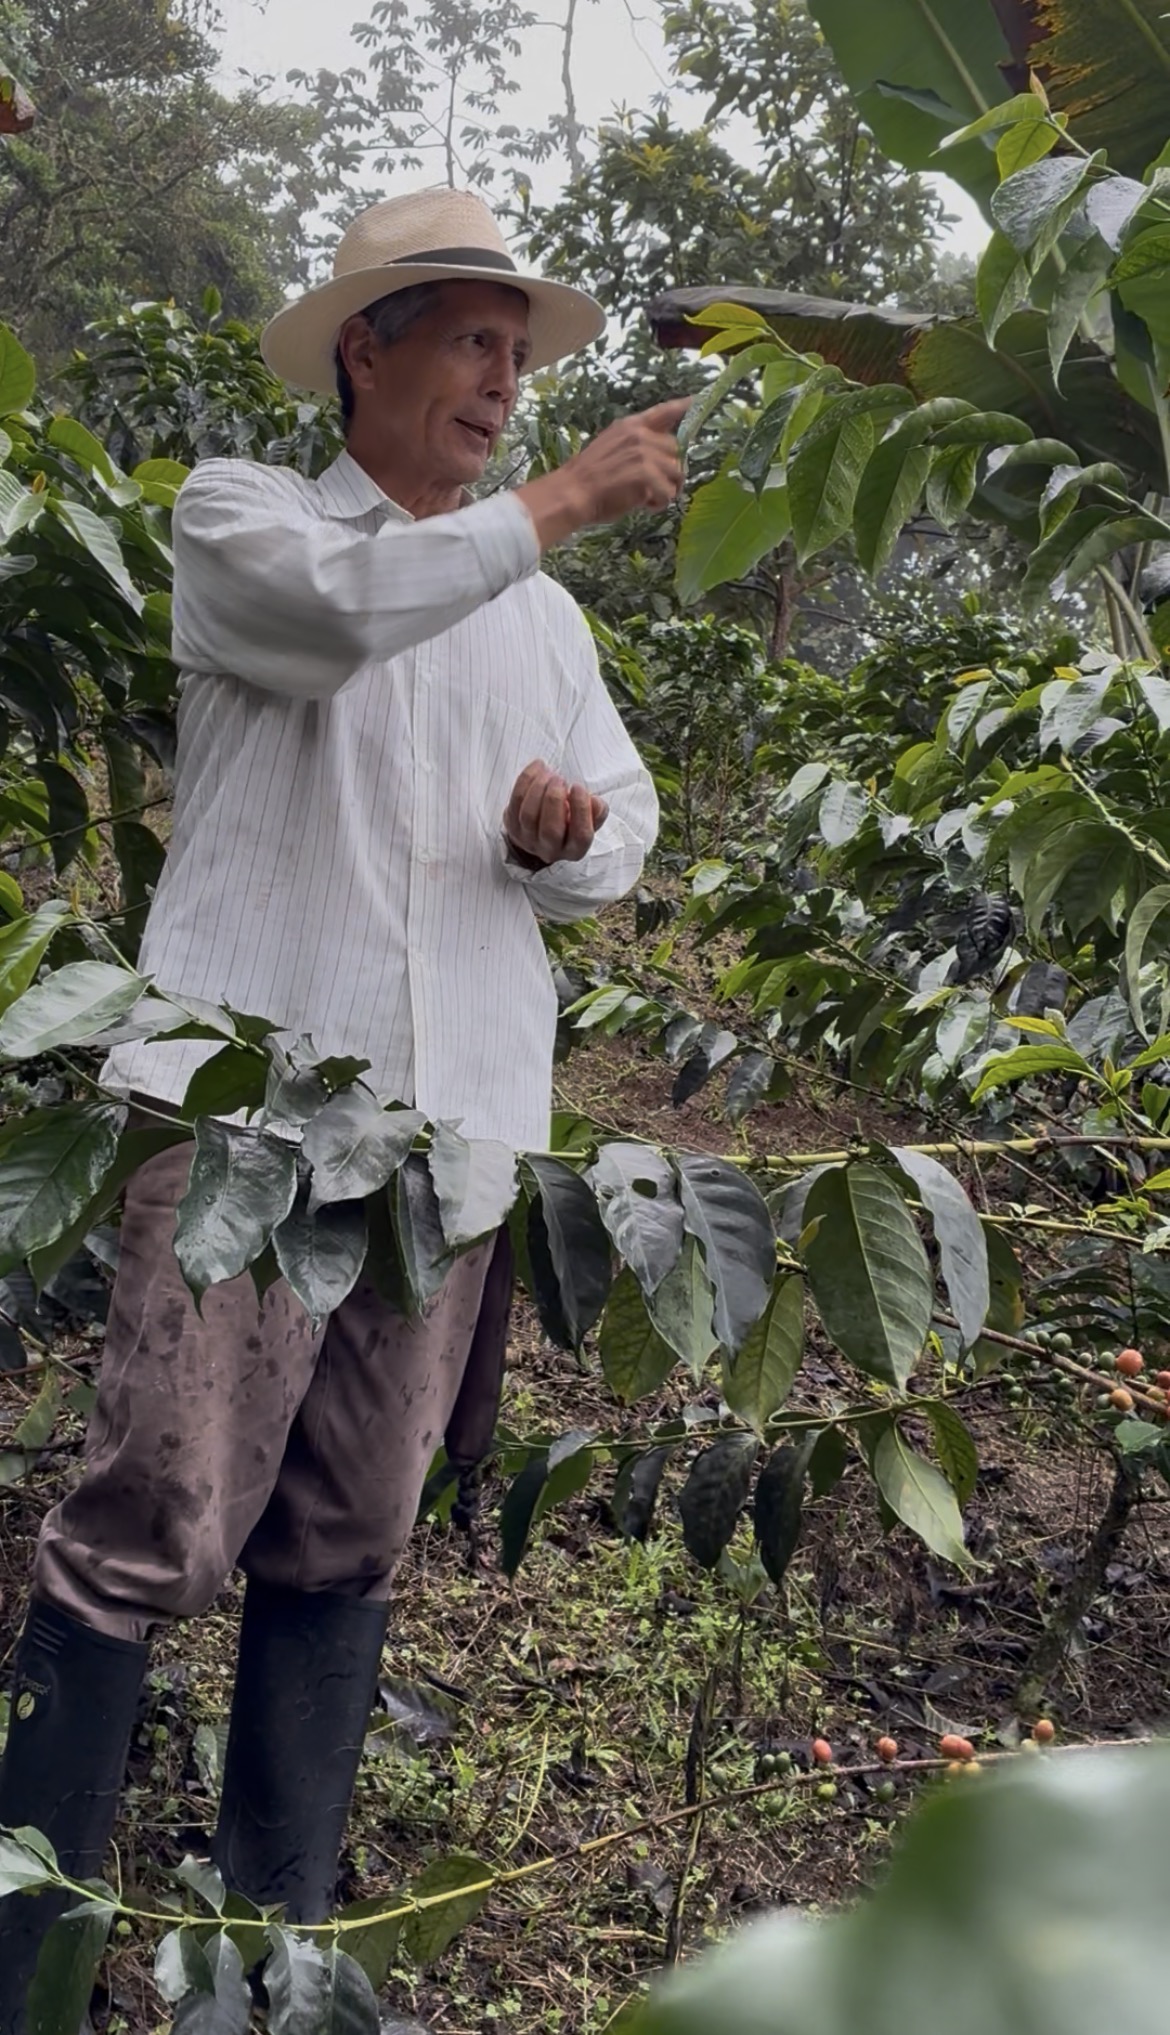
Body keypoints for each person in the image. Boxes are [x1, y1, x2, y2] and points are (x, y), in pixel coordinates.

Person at [0, 185, 684, 2024]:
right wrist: (558, 509)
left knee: (349, 1535)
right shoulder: (250, 519)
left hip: (444, 1140)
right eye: (471, 341)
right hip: (248, 1119)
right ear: (363, 351)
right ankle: (26, 1957)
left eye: (517, 354)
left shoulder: (542, 623)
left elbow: (619, 834)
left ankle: (267, 1960)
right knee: (150, 1521)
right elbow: (323, 622)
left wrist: (560, 837)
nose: (504, 383)